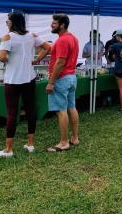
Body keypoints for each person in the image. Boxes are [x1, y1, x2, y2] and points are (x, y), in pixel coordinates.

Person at [0, 12, 51, 158]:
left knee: (12, 113)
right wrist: (37, 60)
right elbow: (48, 47)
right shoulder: (32, 36)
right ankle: (30, 144)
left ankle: (8, 149)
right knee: (30, 109)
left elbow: (1, 56)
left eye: (8, 21)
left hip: (13, 80)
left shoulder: (7, 37)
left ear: (13, 22)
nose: (6, 23)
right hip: (29, 78)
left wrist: (6, 58)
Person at [46, 14, 80, 152]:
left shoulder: (62, 41)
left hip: (61, 79)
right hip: (72, 77)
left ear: (62, 25)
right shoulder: (73, 38)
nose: (51, 25)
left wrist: (51, 82)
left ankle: (64, 142)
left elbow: (60, 63)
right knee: (72, 107)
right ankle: (75, 138)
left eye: (54, 23)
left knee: (61, 111)